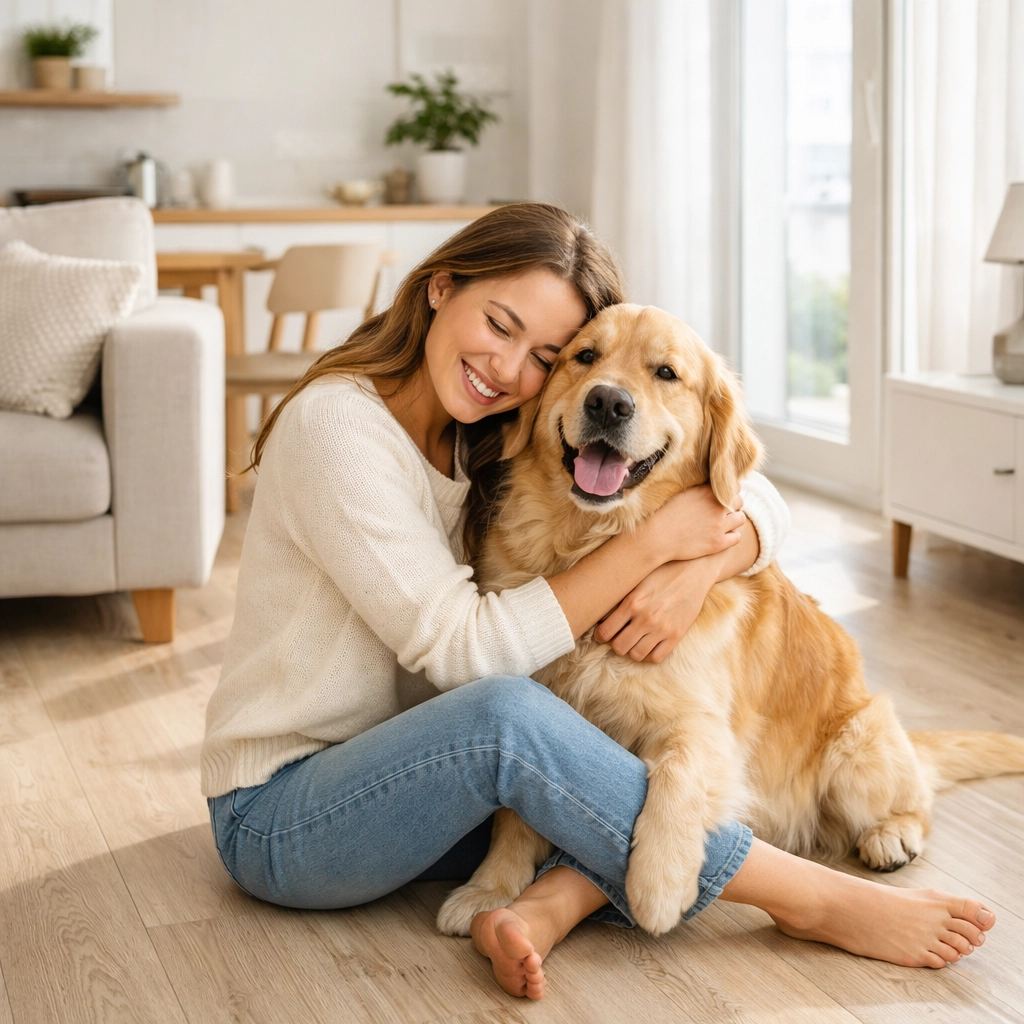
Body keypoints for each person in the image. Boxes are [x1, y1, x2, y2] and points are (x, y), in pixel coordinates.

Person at [202, 203, 996, 1001]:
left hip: (433, 783)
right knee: (508, 714)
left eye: (546, 354)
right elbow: (467, 655)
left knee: (612, 768)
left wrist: (706, 560)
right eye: (499, 323)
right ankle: (814, 898)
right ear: (439, 288)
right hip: (289, 817)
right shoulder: (340, 427)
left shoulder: (487, 428)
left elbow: (752, 491)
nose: (510, 368)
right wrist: (653, 547)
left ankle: (549, 905)